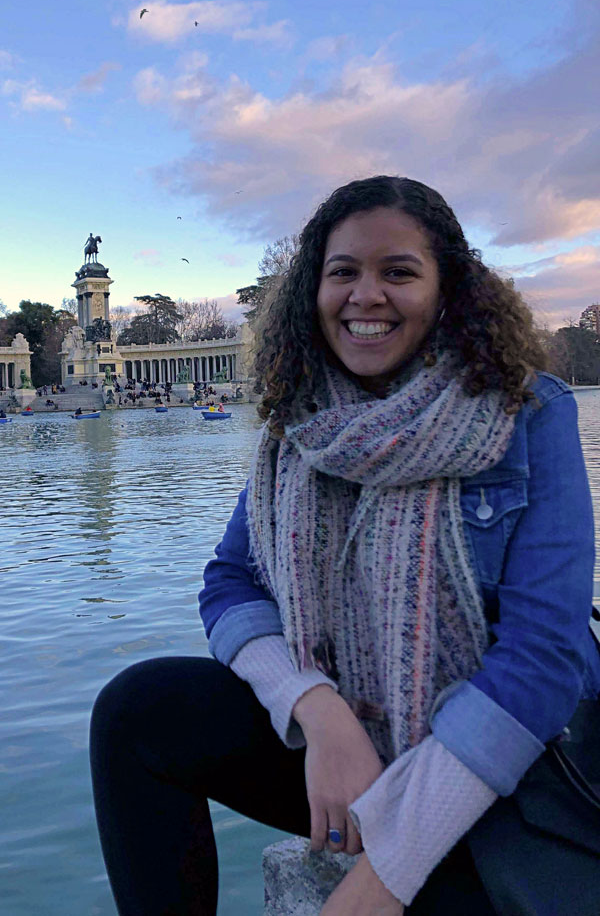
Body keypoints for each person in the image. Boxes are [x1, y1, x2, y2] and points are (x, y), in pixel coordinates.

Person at [90, 175, 600, 915]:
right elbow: (231, 584)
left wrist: (390, 868)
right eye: (344, 272)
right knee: (136, 712)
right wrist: (318, 711)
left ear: (450, 288)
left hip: (510, 774)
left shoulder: (526, 412)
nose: (367, 295)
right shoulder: (300, 422)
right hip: (356, 744)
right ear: (313, 292)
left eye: (398, 271)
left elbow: (543, 658)